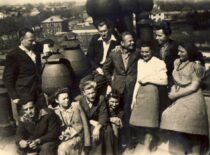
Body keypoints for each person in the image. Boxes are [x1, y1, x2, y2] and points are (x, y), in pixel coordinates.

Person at [160, 42, 208, 155]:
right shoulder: (177, 62)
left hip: (192, 99)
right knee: (169, 117)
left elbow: (194, 86)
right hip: (180, 98)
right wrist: (172, 89)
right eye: (178, 51)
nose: (178, 53)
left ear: (189, 52)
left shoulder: (196, 66)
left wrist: (176, 95)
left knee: (193, 131)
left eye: (182, 51)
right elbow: (176, 80)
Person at [103, 31, 140, 151]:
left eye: (133, 40)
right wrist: (111, 81)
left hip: (131, 88)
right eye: (130, 41)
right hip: (117, 89)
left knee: (128, 113)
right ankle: (117, 143)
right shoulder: (114, 54)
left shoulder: (137, 53)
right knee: (116, 113)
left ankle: (129, 142)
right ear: (122, 43)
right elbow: (106, 68)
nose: (132, 43)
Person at [129, 44, 168, 154]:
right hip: (141, 94)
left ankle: (147, 146)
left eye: (147, 52)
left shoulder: (158, 62)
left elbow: (164, 81)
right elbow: (138, 80)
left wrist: (148, 79)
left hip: (152, 94)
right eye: (142, 52)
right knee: (138, 122)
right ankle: (150, 141)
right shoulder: (140, 62)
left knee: (150, 123)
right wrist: (134, 98)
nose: (144, 54)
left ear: (152, 51)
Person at [3, 28, 46, 121]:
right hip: (24, 93)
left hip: (37, 92)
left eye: (34, 40)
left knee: (42, 119)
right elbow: (7, 78)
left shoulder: (35, 50)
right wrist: (14, 97)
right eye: (31, 40)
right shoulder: (13, 55)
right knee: (27, 122)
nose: (34, 43)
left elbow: (45, 42)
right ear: (21, 40)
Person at [78, 77, 115, 155]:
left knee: (108, 131)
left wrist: (98, 127)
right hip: (87, 124)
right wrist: (90, 121)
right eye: (88, 93)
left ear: (96, 91)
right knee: (95, 135)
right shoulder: (79, 101)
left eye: (93, 92)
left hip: (100, 122)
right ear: (84, 93)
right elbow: (79, 117)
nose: (92, 96)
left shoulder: (101, 99)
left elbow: (104, 115)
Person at [53, 88, 91, 155]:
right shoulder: (55, 111)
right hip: (64, 139)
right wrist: (62, 135)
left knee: (62, 149)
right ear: (57, 100)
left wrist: (87, 144)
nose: (67, 100)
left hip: (78, 136)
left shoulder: (76, 105)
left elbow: (85, 124)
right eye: (64, 99)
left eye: (67, 98)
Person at [87, 19, 119, 94]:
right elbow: (89, 57)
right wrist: (97, 68)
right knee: (82, 83)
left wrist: (119, 47)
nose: (103, 34)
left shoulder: (117, 41)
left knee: (93, 85)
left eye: (105, 31)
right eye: (101, 32)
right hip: (96, 69)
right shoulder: (95, 39)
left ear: (109, 29)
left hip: (108, 71)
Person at [106, 89, 123, 155]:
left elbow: (120, 118)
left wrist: (119, 120)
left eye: (116, 102)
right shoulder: (104, 107)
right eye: (112, 102)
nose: (114, 104)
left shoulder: (120, 108)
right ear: (108, 101)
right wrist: (111, 119)